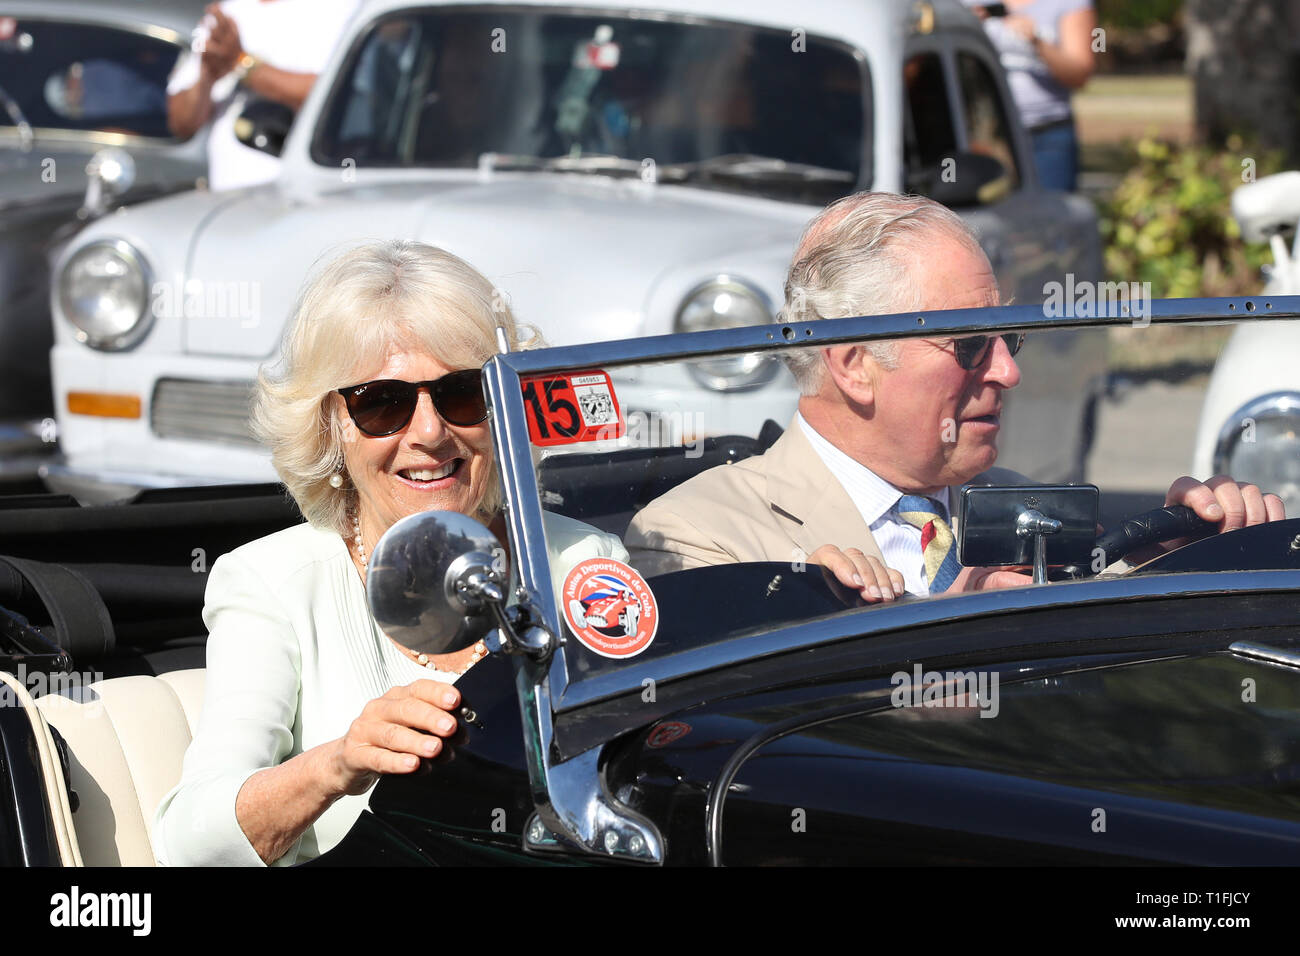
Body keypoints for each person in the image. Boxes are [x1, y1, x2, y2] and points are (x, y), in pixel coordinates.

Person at [153, 241, 627, 866]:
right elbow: (190, 843)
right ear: (330, 427)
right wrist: (341, 761)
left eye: (463, 393)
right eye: (382, 403)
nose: (430, 433)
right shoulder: (274, 583)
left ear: (506, 411)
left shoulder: (580, 561)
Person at [624, 192, 1286, 599]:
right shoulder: (699, 535)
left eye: (1010, 342)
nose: (1006, 371)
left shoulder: (1023, 504)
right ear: (854, 365)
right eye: (969, 344)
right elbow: (761, 742)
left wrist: (1178, 563)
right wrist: (958, 618)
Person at [166, 0, 359, 191]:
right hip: (226, 201)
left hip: (301, 200)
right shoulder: (226, 14)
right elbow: (182, 122)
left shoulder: (341, 9)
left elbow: (334, 96)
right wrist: (207, 75)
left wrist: (242, 63)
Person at [966, 0, 1096, 192]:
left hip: (1046, 133)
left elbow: (1080, 75)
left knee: (1050, 216)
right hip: (985, 134)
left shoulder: (1069, 4)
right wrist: (964, 25)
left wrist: (1036, 41)